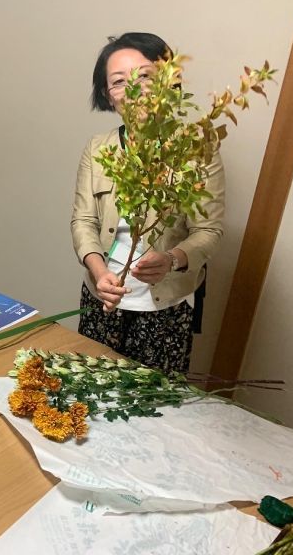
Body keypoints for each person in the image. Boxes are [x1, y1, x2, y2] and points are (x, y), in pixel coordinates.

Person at [70, 32, 224, 373]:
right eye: (119, 82)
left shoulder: (197, 149)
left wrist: (171, 259)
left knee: (152, 397)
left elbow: (209, 231)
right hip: (104, 298)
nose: (134, 90)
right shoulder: (98, 148)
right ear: (108, 96)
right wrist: (99, 273)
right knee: (90, 387)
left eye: (144, 76)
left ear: (168, 82)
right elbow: (83, 221)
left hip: (166, 306)